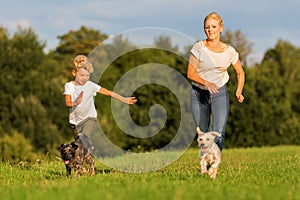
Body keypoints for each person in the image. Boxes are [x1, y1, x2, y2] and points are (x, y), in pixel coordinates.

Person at [187, 12, 245, 151]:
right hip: (199, 93)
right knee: (203, 134)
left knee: (219, 133)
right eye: (207, 27)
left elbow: (240, 72)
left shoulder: (229, 51)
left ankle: (214, 163)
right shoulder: (198, 48)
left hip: (220, 93)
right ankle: (206, 160)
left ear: (221, 28)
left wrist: (239, 90)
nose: (210, 30)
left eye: (213, 26)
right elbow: (190, 73)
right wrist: (206, 83)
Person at [64, 55, 137, 141]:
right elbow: (68, 103)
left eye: (87, 76)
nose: (85, 78)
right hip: (75, 121)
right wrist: (75, 102)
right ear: (74, 73)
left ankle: (86, 148)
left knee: (84, 139)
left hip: (89, 118)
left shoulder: (91, 86)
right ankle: (87, 154)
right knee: (79, 145)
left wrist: (124, 99)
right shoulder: (69, 86)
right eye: (82, 75)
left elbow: (109, 93)